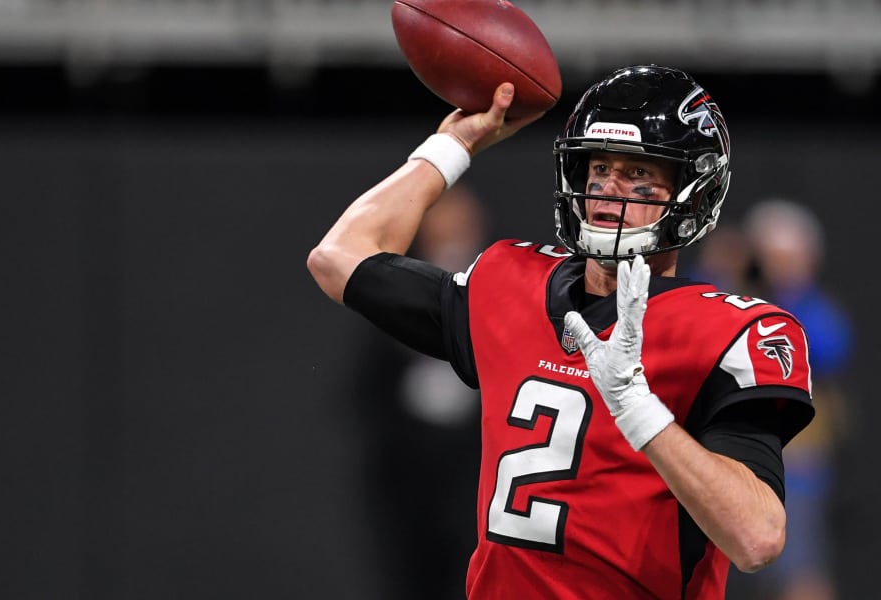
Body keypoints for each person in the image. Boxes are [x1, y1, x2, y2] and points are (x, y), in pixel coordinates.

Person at [307, 65, 815, 599]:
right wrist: (452, 146)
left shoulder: (729, 330)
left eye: (638, 173)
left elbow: (757, 539)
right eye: (600, 167)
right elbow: (338, 258)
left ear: (696, 190)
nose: (609, 189)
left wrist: (639, 410)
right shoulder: (510, 282)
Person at [348, 184, 487, 600]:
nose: (450, 224)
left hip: (479, 461)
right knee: (414, 566)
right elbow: (366, 385)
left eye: (459, 215)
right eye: (439, 215)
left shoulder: (501, 287)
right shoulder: (400, 283)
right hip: (414, 463)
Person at [729, 198, 854, 600]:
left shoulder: (813, 311)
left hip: (793, 466)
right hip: (726, 459)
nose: (775, 267)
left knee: (799, 573)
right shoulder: (725, 298)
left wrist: (785, 293)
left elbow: (830, 347)